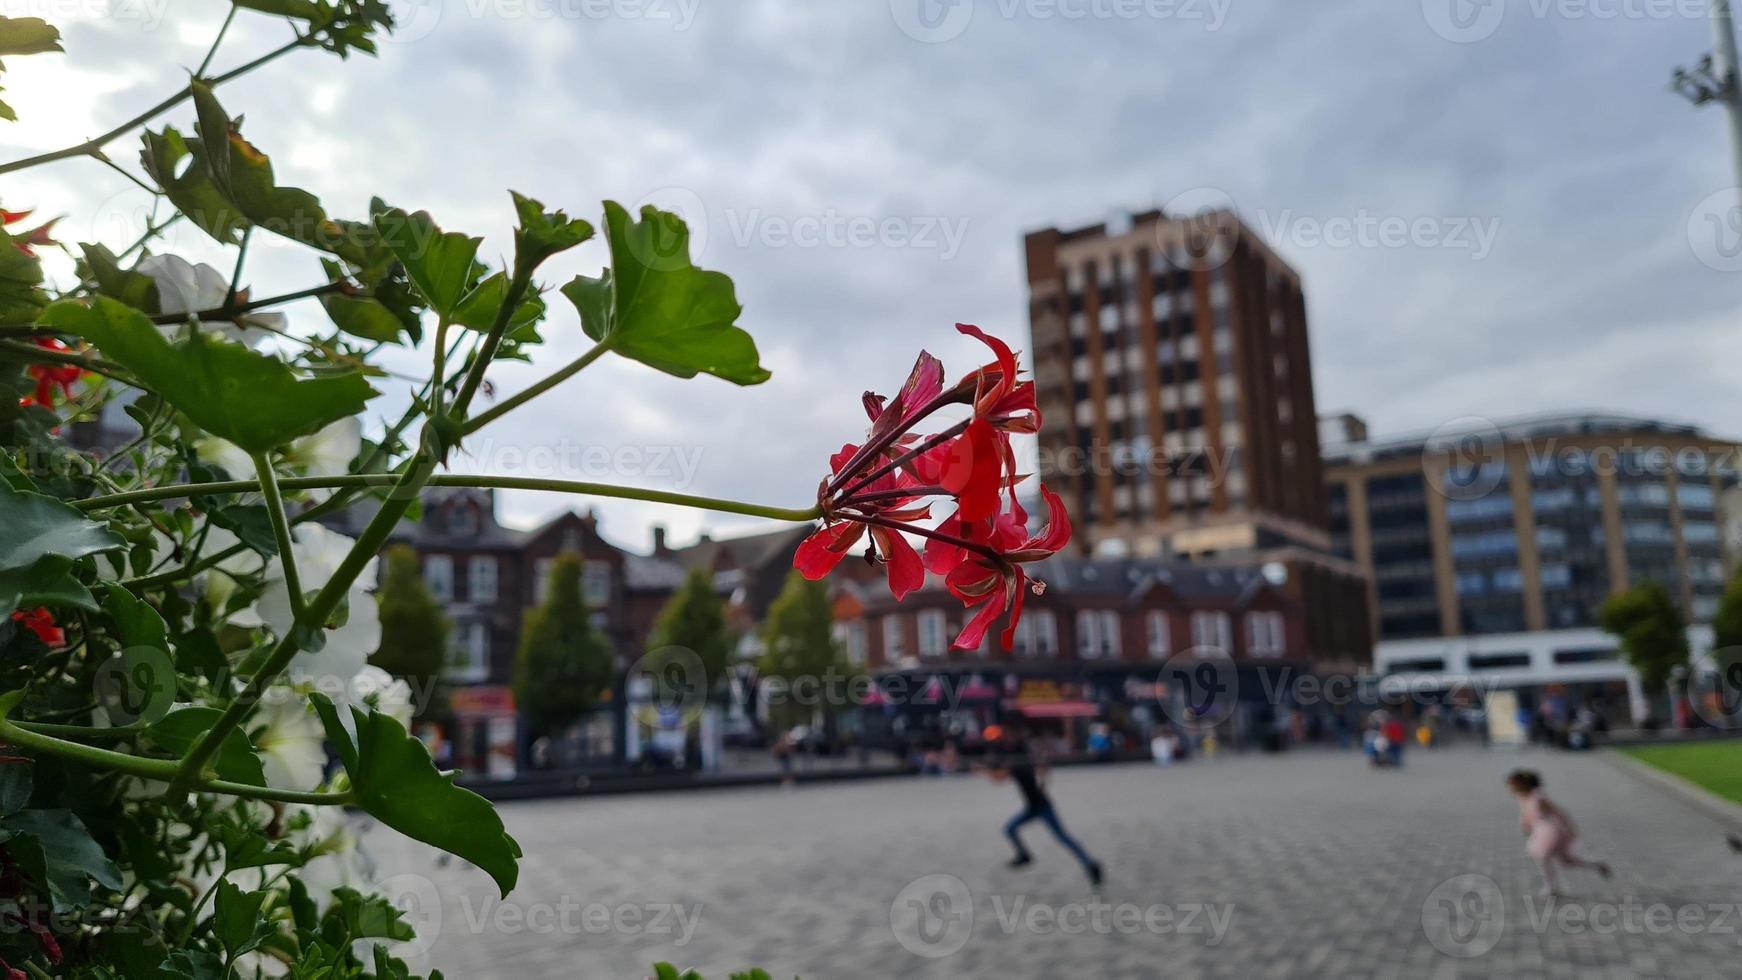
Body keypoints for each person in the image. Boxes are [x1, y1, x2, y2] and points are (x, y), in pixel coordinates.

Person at [988, 731, 1103, 887]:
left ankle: (1090, 864)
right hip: (1034, 807)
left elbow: (1000, 777)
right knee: (1011, 829)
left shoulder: (1017, 766)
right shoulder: (1024, 764)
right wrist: (1043, 780)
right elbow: (1041, 769)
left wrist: (982, 770)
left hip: (1042, 807)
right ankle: (1025, 855)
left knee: (1061, 837)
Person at [1505, 769, 1612, 897]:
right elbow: (1526, 813)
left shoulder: (1538, 797)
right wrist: (1526, 825)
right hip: (1540, 829)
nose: (1511, 788)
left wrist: (1570, 827)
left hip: (1552, 829)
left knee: (1542, 855)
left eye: (1513, 784)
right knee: (1566, 861)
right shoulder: (1522, 797)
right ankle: (1598, 866)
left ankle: (1551, 887)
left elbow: (1558, 812)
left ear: (1523, 783)